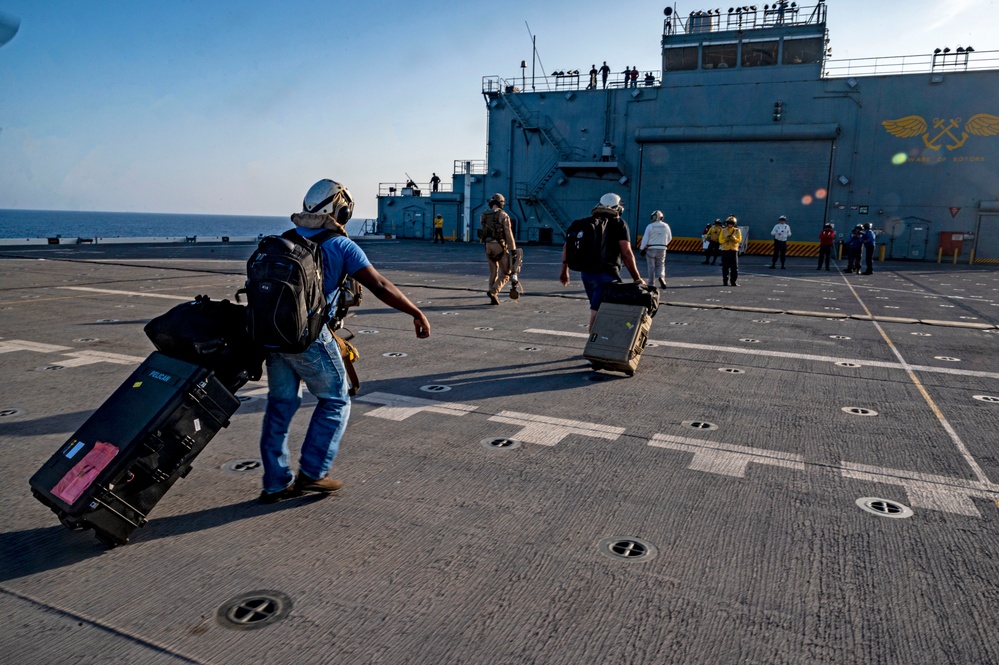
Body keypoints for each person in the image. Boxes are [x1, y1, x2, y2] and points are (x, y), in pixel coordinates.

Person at [258, 179, 431, 504]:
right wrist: (415, 311)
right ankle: (312, 473)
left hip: (274, 337)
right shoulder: (341, 245)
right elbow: (379, 285)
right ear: (340, 210)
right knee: (336, 400)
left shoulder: (286, 239)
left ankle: (275, 483)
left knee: (280, 407)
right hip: (309, 336)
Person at [559, 193, 645, 330]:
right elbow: (627, 253)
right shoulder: (619, 224)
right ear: (618, 209)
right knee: (597, 312)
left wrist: (564, 271)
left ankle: (601, 341)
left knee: (598, 309)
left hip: (586, 274)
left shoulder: (587, 223)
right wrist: (637, 278)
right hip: (606, 276)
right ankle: (594, 345)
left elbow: (567, 247)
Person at [480, 193, 517, 305]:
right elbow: (508, 232)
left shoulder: (484, 215)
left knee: (493, 272)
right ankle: (493, 291)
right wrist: (513, 249)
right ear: (501, 203)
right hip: (499, 246)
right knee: (506, 272)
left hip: (488, 246)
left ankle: (493, 297)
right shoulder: (503, 215)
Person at [639, 210, 672, 288]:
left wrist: (642, 248)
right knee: (661, 264)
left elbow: (645, 238)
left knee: (651, 266)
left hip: (651, 248)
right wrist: (664, 244)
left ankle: (651, 283)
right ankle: (661, 276)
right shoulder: (666, 226)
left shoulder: (650, 226)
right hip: (662, 248)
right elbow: (670, 238)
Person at [720, 215, 742, 286]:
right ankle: (725, 281)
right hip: (725, 250)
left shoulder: (737, 231)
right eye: (729, 223)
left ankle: (733, 282)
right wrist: (725, 240)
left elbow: (739, 240)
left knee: (734, 267)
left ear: (734, 224)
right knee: (725, 267)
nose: (730, 224)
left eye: (731, 223)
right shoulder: (723, 230)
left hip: (733, 250)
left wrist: (734, 239)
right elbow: (720, 240)